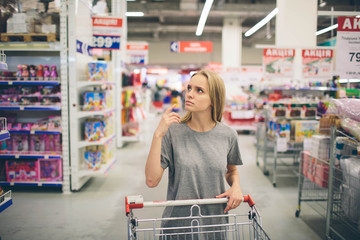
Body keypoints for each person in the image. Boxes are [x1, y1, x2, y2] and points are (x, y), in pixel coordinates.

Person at [145, 69, 243, 239]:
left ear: (214, 99)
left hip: (214, 226)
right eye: (189, 88)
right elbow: (152, 180)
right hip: (178, 227)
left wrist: (236, 187)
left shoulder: (228, 135)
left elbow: (231, 170)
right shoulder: (173, 132)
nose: (189, 94)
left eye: (199, 90)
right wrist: (158, 135)